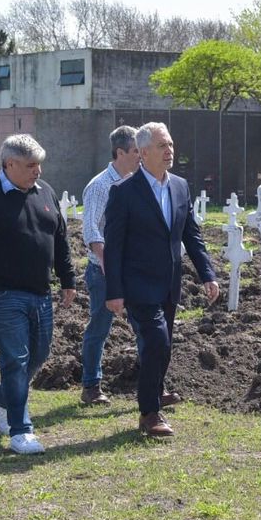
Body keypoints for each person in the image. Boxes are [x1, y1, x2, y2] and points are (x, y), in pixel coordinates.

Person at [0, 134, 76, 455]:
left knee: (38, 354)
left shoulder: (45, 193)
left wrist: (68, 279)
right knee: (16, 358)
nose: (37, 171)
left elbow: (59, 239)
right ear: (9, 164)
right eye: (30, 165)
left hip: (40, 292)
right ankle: (20, 431)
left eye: (39, 164)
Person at [103, 122, 218, 438]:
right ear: (142, 153)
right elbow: (113, 247)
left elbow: (190, 234)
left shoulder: (180, 186)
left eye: (170, 145)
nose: (170, 151)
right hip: (138, 284)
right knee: (156, 341)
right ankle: (149, 413)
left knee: (162, 347)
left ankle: (154, 393)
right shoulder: (124, 192)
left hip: (169, 283)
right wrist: (114, 291)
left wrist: (207, 274)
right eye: (162, 146)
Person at [77, 125, 140, 406]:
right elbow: (92, 231)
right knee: (99, 327)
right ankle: (91, 385)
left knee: (144, 325)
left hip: (134, 268)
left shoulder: (139, 181)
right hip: (103, 272)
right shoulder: (100, 186)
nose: (141, 155)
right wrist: (107, 265)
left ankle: (150, 383)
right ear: (121, 152)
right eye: (137, 150)